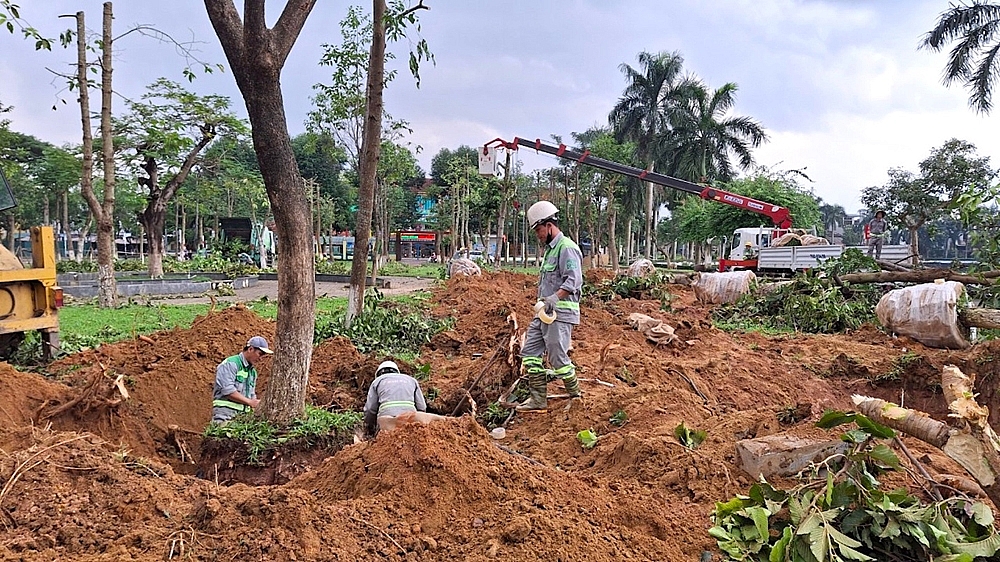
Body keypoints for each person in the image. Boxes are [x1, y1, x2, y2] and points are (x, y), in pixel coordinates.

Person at [517, 200, 584, 412]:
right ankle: (538, 399)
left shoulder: (567, 248)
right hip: (544, 313)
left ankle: (576, 396)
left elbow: (573, 281)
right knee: (529, 353)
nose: (537, 234)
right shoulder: (550, 250)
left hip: (560, 313)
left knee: (558, 358)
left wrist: (553, 299)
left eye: (538, 230)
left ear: (548, 226)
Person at [364, 360, 446, 434]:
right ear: (397, 372)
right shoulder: (411, 380)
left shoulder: (377, 381)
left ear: (379, 374)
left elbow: (370, 409)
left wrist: (369, 428)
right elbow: (422, 407)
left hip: (387, 418)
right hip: (411, 417)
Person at [211, 335, 273, 423]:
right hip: (225, 416)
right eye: (260, 354)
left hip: (241, 419)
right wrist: (250, 402)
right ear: (250, 349)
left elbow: (252, 395)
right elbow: (228, 390)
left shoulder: (252, 372)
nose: (261, 359)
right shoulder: (231, 364)